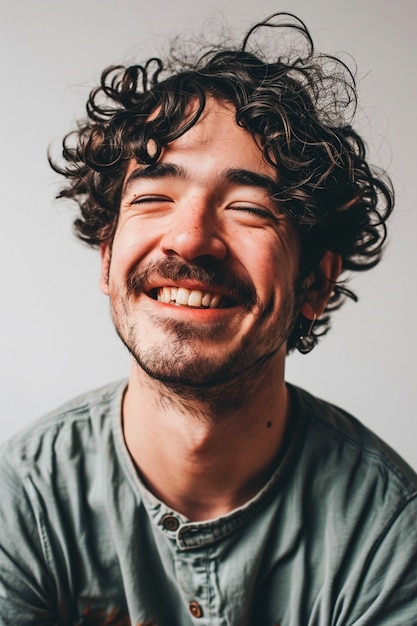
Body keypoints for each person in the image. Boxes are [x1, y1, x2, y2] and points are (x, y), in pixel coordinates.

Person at [0, 12, 416, 626]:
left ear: (315, 283)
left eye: (248, 207)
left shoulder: (388, 535)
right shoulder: (22, 506)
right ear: (108, 257)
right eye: (153, 198)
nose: (191, 240)